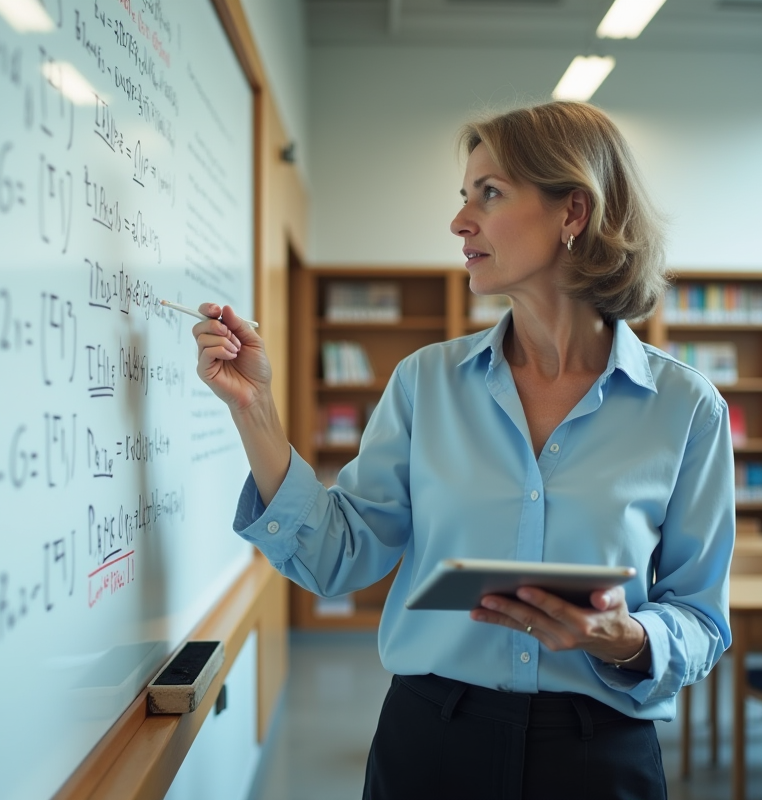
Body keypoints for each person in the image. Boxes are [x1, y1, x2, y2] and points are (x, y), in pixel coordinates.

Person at [190, 100, 734, 800]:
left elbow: (701, 618)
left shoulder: (686, 409)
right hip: (431, 744)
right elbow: (337, 556)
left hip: (599, 756)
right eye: (464, 196)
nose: (459, 221)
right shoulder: (426, 383)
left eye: (491, 193)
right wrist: (254, 408)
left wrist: (626, 638)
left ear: (574, 213)